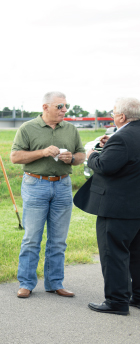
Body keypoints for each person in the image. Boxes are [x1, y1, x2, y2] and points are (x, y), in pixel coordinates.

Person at [10, 91, 85, 299]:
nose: (64, 110)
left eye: (65, 106)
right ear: (45, 107)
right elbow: (15, 157)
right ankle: (26, 283)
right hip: (35, 184)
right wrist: (42, 152)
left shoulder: (70, 129)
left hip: (62, 185)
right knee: (32, 238)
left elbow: (81, 155)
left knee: (59, 240)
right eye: (60, 106)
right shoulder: (27, 128)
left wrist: (72, 158)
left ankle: (54, 283)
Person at [84, 97, 140, 315]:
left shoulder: (122, 137)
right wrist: (112, 146)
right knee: (137, 253)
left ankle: (117, 301)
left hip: (117, 207)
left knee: (114, 253)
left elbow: (104, 166)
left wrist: (92, 154)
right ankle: (138, 296)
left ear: (122, 116)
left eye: (114, 111)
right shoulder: (124, 137)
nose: (112, 115)